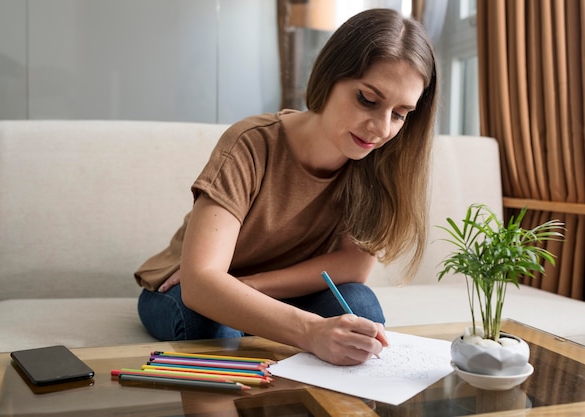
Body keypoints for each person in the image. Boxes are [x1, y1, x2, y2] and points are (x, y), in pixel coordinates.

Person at [135, 8, 438, 366]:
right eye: (368, 100)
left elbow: (352, 267)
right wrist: (310, 332)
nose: (381, 127)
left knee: (359, 308)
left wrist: (254, 286)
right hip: (186, 290)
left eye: (400, 113)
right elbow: (202, 283)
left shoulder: (379, 164)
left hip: (280, 291)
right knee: (214, 324)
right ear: (330, 75)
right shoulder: (251, 143)